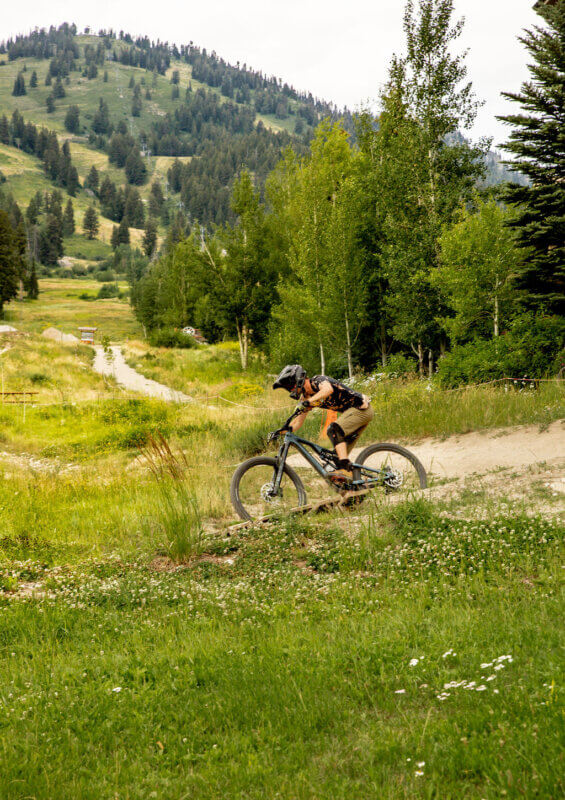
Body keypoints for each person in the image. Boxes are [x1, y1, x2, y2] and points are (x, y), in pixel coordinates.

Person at [272, 364, 374, 479]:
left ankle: (345, 469)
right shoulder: (306, 397)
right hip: (352, 415)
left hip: (362, 409)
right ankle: (356, 488)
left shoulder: (318, 380)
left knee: (334, 429)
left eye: (291, 386)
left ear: (299, 379)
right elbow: (297, 423)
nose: (291, 389)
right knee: (336, 459)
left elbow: (328, 389)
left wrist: (309, 402)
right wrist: (282, 431)